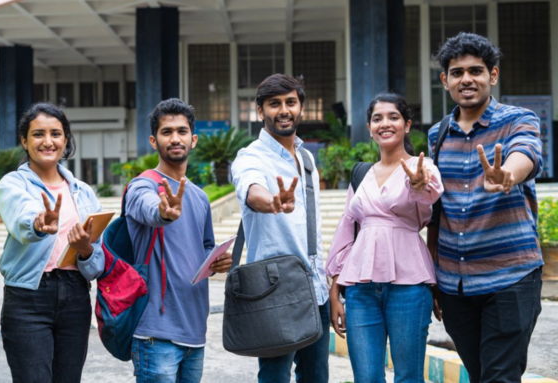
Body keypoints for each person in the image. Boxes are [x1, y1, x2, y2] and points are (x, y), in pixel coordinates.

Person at [83, 98, 231, 383]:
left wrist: (219, 260)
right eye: (167, 132)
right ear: (154, 140)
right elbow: (150, 210)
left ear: (194, 139)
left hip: (195, 331)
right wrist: (165, 212)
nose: (175, 138)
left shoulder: (199, 197)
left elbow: (206, 247)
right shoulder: (143, 185)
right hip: (154, 332)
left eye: (182, 131)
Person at [429, 32, 544, 383]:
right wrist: (434, 276)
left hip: (510, 277)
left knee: (500, 377)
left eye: (476, 71)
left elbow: (527, 153)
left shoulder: (517, 119)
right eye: (458, 72)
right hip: (456, 285)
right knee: (480, 375)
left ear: (492, 76)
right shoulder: (438, 134)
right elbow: (437, 211)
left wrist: (507, 174)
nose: (467, 79)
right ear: (444, 79)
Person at [326, 92, 443, 382]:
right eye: (377, 118)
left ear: (407, 125)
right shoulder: (361, 173)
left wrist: (417, 184)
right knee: (366, 378)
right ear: (369, 128)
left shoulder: (422, 167)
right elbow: (347, 229)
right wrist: (335, 287)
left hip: (409, 284)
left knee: (408, 376)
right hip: (361, 288)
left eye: (393, 117)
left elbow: (429, 191)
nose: (385, 123)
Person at [0, 102, 104, 382]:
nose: (47, 141)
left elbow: (97, 261)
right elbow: (22, 219)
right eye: (38, 134)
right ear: (24, 140)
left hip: (76, 296)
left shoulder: (83, 192)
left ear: (65, 140)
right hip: (28, 297)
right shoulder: (13, 184)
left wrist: (85, 250)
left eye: (55, 134)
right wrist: (38, 225)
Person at [231, 74, 330, 383]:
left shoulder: (306, 157)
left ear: (301, 107)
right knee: (274, 377)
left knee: (316, 377)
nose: (284, 110)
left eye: (291, 102)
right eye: (274, 104)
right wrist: (271, 201)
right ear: (260, 111)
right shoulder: (251, 157)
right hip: (274, 289)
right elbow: (251, 189)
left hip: (315, 287)